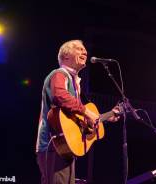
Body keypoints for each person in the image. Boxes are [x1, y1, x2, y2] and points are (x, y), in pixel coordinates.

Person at [35, 40, 119, 184]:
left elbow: (76, 116)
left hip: (65, 148)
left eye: (85, 50)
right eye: (79, 49)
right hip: (52, 145)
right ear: (66, 56)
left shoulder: (74, 82)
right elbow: (60, 96)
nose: (85, 52)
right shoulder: (59, 74)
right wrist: (86, 111)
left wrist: (106, 116)